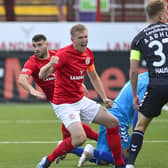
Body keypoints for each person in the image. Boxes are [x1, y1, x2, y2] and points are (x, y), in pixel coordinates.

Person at [37, 24, 125, 168]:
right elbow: (42, 75)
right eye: (81, 38)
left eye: (86, 37)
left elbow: (94, 76)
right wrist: (48, 65)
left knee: (113, 122)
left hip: (80, 100)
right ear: (73, 40)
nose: (84, 40)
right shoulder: (63, 55)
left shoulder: (88, 54)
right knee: (79, 138)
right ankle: (47, 160)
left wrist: (104, 98)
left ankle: (120, 164)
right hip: (64, 104)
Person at [18, 33, 99, 161]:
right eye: (34, 46)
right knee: (73, 128)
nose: (36, 48)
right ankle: (97, 143)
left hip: (71, 96)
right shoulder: (32, 62)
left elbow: (72, 68)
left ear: (46, 44)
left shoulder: (57, 54)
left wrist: (80, 83)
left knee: (73, 128)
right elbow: (21, 79)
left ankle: (67, 148)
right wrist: (31, 89)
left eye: (39, 45)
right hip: (58, 101)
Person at [68, 72, 149, 167]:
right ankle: (92, 152)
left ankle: (70, 148)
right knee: (126, 159)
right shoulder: (148, 84)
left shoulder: (141, 76)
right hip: (119, 120)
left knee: (103, 161)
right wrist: (137, 132)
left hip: (108, 116)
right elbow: (140, 110)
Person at [126, 1, 168, 168]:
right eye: (166, 11)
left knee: (140, 125)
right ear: (160, 14)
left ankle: (130, 164)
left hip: (156, 85)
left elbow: (133, 71)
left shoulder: (138, 39)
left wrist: (135, 95)